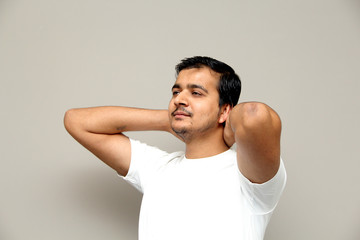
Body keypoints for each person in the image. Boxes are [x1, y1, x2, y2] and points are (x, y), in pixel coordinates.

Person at [64, 56, 286, 240]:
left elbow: (254, 115)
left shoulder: (248, 178)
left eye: (196, 93)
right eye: (176, 92)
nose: (180, 99)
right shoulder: (158, 168)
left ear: (225, 110)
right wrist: (169, 120)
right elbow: (76, 121)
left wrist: (228, 130)